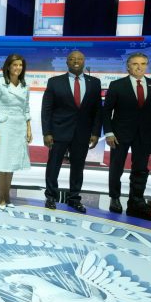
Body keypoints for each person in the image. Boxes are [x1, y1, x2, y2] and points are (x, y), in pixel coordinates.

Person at [103, 52, 151, 219]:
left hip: (145, 135)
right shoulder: (117, 85)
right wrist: (108, 133)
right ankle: (115, 198)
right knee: (116, 168)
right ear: (128, 66)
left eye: (143, 63)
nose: (140, 67)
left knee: (140, 169)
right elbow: (106, 111)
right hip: (119, 134)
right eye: (136, 64)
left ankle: (136, 199)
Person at [41, 51, 102, 213]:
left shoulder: (95, 83)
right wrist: (46, 132)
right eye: (72, 59)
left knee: (78, 167)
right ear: (67, 62)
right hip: (58, 131)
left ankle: (74, 199)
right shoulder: (54, 82)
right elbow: (46, 109)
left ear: (84, 62)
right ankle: (51, 197)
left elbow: (98, 110)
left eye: (80, 59)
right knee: (53, 165)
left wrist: (96, 133)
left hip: (82, 133)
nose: (76, 61)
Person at [0, 54, 32, 210]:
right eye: (15, 65)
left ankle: (8, 196)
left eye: (20, 65)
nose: (18, 68)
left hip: (19, 127)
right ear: (8, 67)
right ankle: (0, 198)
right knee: (2, 162)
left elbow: (26, 109)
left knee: (11, 164)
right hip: (3, 126)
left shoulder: (25, 86)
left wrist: (29, 128)